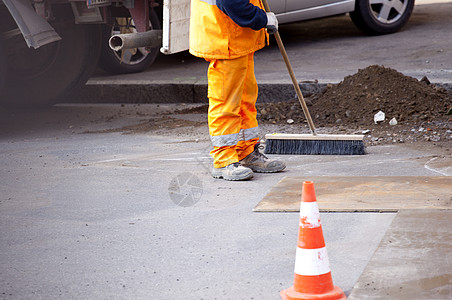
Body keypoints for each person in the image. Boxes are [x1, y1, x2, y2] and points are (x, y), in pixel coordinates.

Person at [189, 0, 286, 181]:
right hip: (225, 39)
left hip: (237, 38)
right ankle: (224, 159)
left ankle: (246, 151)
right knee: (226, 102)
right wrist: (262, 18)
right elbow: (232, 3)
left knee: (245, 101)